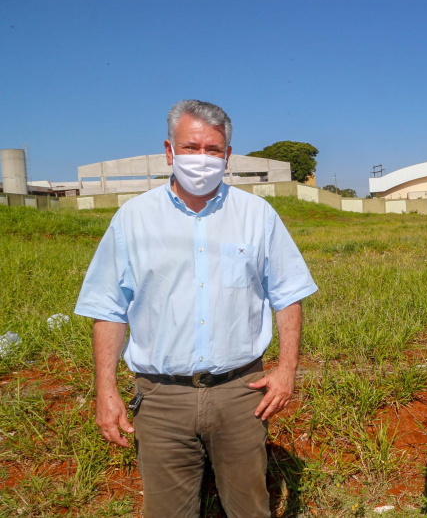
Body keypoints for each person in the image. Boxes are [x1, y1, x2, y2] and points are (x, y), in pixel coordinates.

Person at [75, 100, 318, 517]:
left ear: (227, 156)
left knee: (250, 507)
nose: (201, 159)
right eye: (191, 147)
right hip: (161, 399)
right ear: (169, 151)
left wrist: (286, 370)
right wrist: (106, 390)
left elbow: (288, 294)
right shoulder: (133, 219)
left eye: (213, 150)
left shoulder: (256, 215)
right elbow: (109, 309)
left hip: (241, 393)